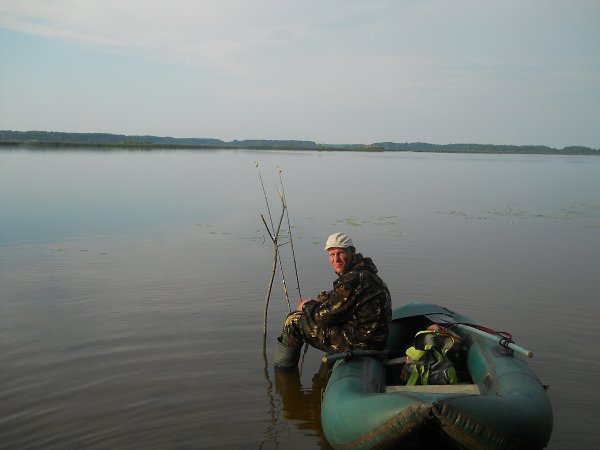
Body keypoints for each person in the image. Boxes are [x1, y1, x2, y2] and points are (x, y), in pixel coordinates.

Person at [274, 232, 392, 368]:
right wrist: (321, 299)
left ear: (352, 252)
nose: (336, 259)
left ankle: (283, 374)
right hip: (373, 340)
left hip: (361, 344)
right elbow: (342, 297)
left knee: (294, 321)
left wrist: (307, 305)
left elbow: (324, 317)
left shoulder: (352, 279)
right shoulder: (365, 273)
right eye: (332, 254)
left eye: (340, 253)